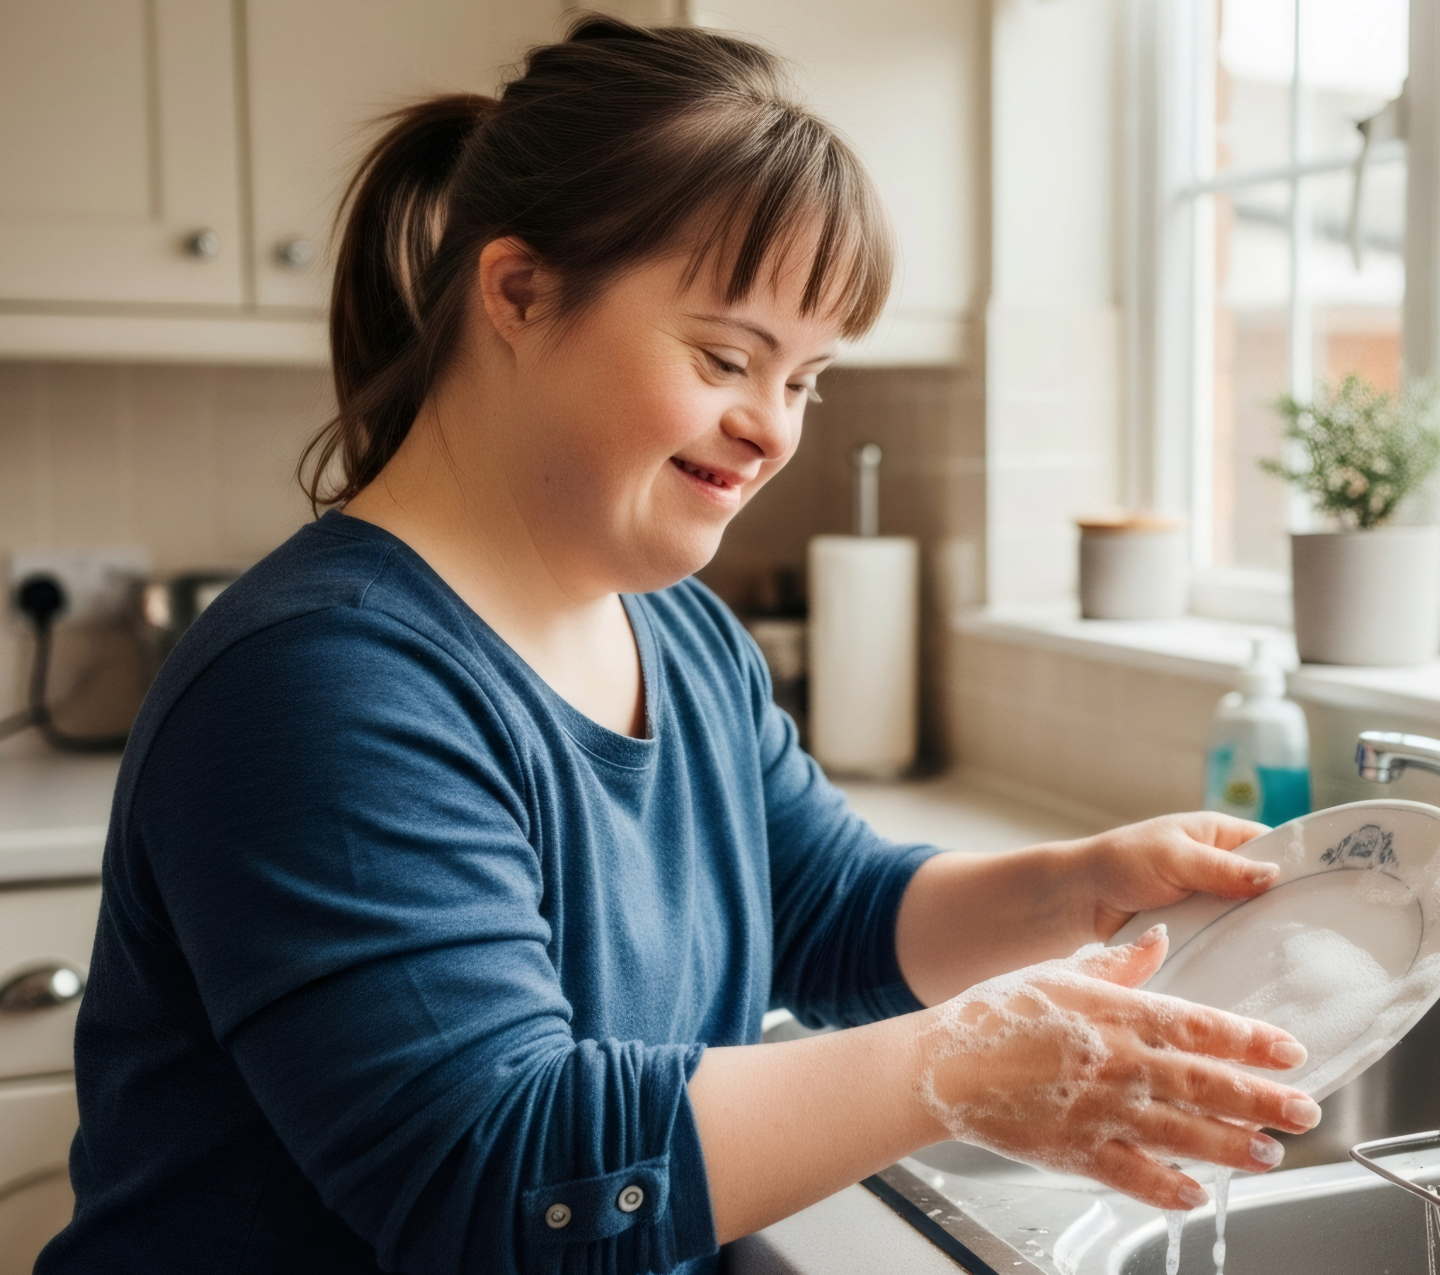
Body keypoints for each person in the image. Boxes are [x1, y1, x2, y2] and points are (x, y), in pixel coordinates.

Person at [37, 18, 1320, 1275]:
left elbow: (825, 911)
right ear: (520, 292)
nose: (771, 428)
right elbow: (501, 1179)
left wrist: (1075, 893)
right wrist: (965, 1065)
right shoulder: (322, 685)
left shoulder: (684, 638)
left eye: (808, 379)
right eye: (728, 357)